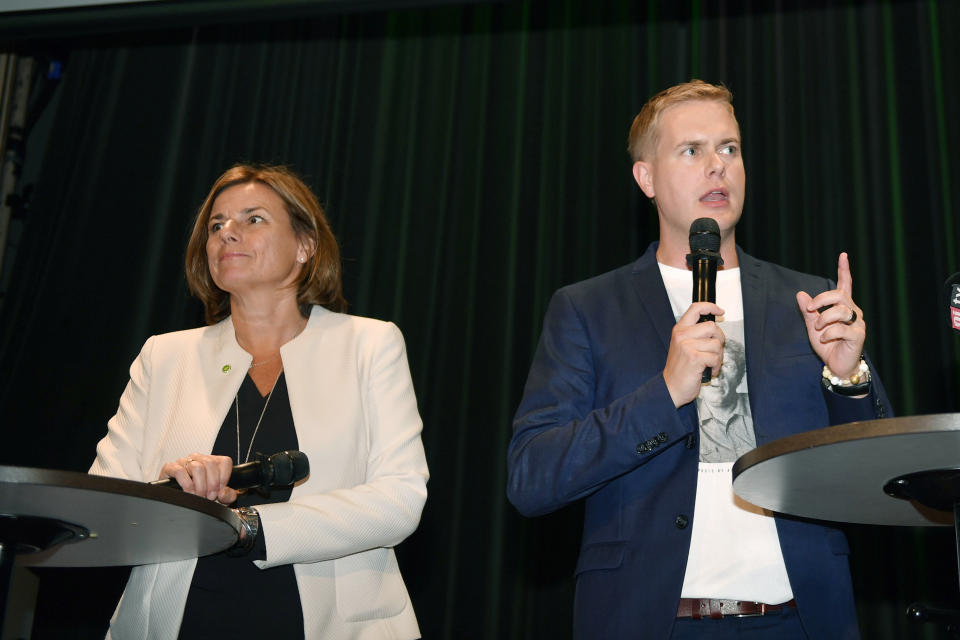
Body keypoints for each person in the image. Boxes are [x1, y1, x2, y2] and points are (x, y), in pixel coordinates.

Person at [506, 80, 891, 639]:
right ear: (646, 178)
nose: (718, 167)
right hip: (652, 620)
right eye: (692, 151)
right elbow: (532, 477)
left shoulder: (807, 301)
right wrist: (664, 393)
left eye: (729, 149)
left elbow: (878, 475)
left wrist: (847, 374)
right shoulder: (588, 309)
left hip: (799, 619)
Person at [90, 164, 428, 640]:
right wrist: (173, 488)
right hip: (181, 623)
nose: (227, 233)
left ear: (305, 246)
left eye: (253, 219)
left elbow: (399, 500)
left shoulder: (370, 346)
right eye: (216, 225)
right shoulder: (165, 356)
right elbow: (103, 505)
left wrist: (249, 526)